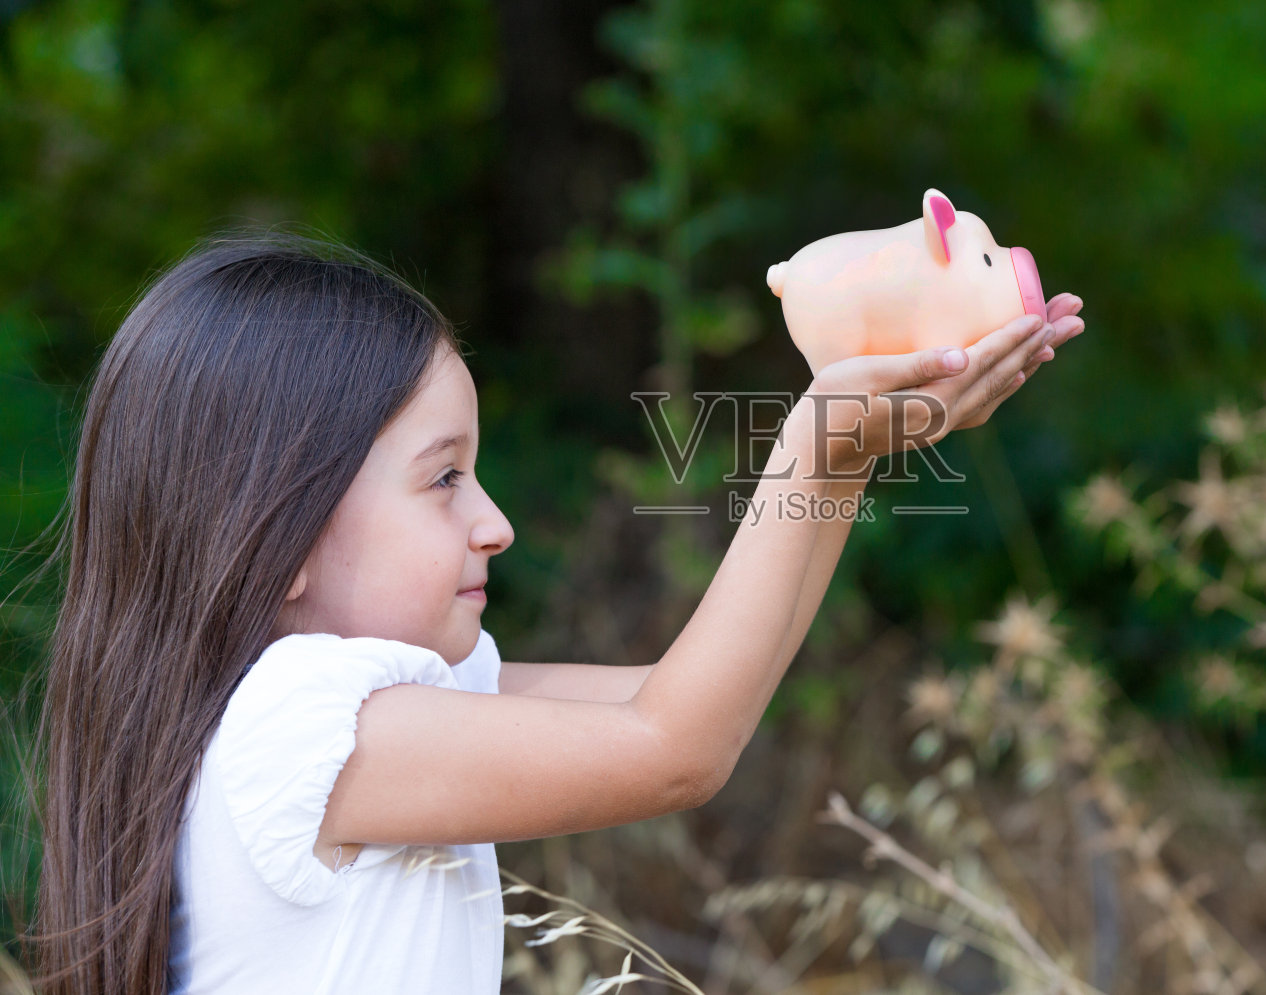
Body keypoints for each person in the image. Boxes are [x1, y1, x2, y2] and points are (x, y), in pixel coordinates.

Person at [20, 229, 1085, 993]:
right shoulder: (298, 725)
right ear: (279, 532)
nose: (495, 523)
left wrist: (846, 454)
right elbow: (676, 747)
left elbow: (692, 697)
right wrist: (810, 438)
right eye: (443, 478)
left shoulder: (375, 704)